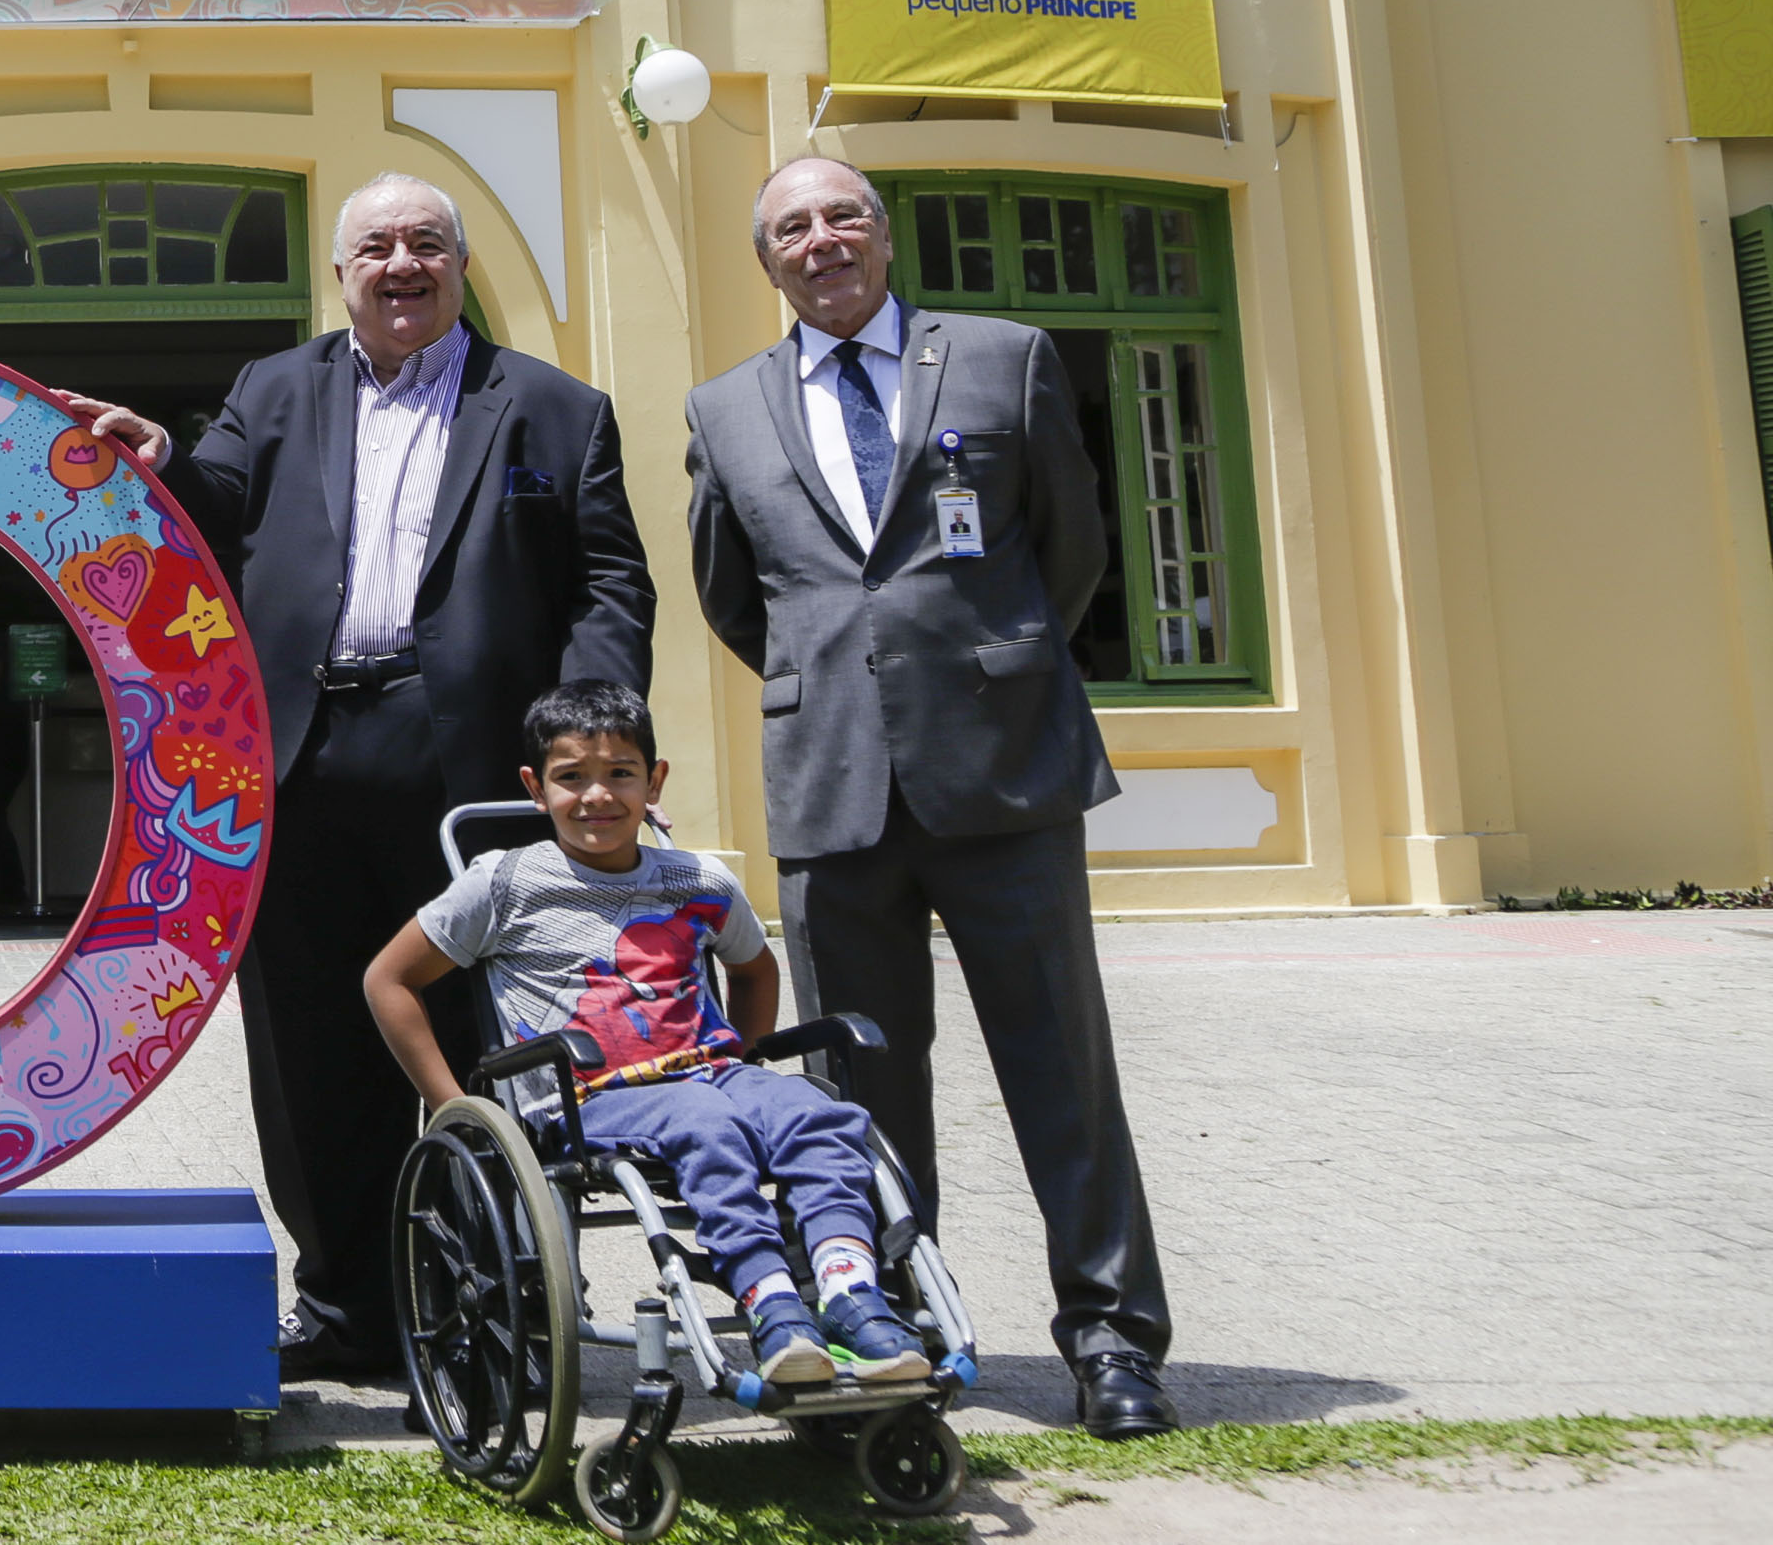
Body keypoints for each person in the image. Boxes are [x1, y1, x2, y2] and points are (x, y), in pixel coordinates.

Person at [70, 170, 655, 1382]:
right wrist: (157, 451)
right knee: (309, 1042)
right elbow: (212, 505)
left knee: (482, 1037)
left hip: (476, 775)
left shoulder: (553, 410)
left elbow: (608, 582)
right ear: (340, 274)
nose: (402, 265)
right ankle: (347, 1309)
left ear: (459, 266)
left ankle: (492, 1306)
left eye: (426, 245)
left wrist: (588, 750)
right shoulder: (273, 389)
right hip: (299, 758)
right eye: (376, 246)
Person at [685, 154, 1176, 1439]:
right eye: (791, 225)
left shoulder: (1002, 357)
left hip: (1002, 767)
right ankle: (896, 1333)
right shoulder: (723, 407)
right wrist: (843, 681)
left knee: (1060, 1069)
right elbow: (736, 599)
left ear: (883, 236)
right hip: (833, 786)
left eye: (843, 215)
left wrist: (988, 662)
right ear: (767, 261)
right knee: (860, 1092)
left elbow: (1072, 549)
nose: (821, 239)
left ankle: (1112, 1341)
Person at [364, 683, 928, 1385]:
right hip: (589, 1093)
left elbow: (755, 969)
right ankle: (772, 1302)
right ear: (535, 788)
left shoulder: (699, 879)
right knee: (705, 1122)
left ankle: (849, 1291)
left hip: (709, 1075)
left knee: (820, 1115)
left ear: (654, 780)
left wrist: (746, 1061)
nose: (597, 795)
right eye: (571, 777)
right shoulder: (505, 883)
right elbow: (389, 979)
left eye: (620, 773)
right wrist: (454, 1104)